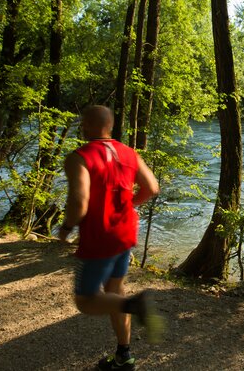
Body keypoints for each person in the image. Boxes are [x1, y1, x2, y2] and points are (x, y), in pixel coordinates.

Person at [59, 105, 163, 371]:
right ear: (111, 126)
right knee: (115, 292)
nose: (81, 127)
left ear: (87, 125)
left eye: (83, 123)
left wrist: (66, 227)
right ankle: (124, 355)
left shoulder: (79, 157)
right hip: (125, 233)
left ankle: (136, 305)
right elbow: (152, 187)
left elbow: (79, 203)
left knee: (86, 301)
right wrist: (129, 205)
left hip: (99, 236)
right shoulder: (129, 153)